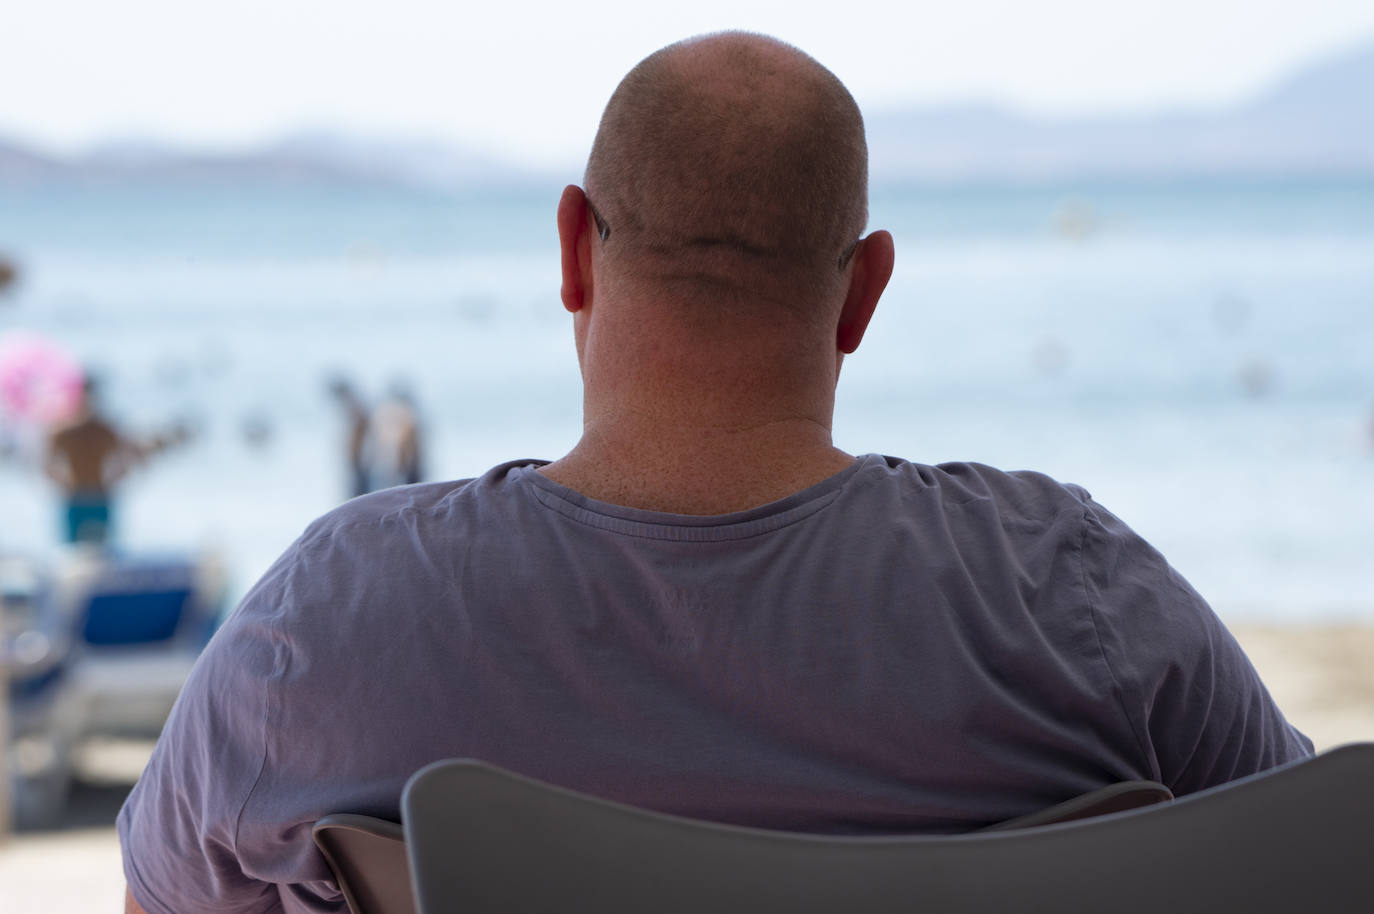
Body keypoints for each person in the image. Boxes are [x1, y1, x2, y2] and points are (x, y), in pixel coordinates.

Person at [119, 32, 1311, 914]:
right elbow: (1318, 863)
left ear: (575, 249)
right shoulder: (1075, 597)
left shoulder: (330, 620)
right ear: (864, 292)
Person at [42, 375, 186, 544]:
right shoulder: (63, 432)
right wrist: (61, 482)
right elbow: (47, 462)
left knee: (103, 550)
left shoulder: (103, 430)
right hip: (75, 497)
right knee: (74, 552)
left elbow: (129, 453)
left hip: (100, 496)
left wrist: (118, 477)